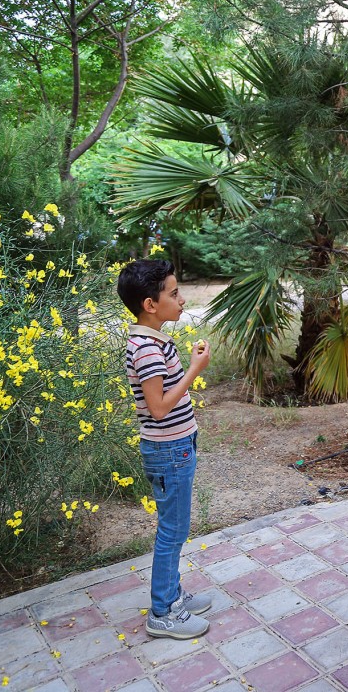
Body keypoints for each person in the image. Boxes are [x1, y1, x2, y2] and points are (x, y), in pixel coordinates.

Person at [117, 259, 214, 639]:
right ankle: (162, 612)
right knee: (172, 531)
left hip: (177, 447)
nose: (182, 299)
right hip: (169, 449)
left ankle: (172, 595)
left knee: (177, 527)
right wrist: (195, 369)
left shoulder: (153, 341)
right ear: (150, 305)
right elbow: (158, 409)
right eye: (173, 294)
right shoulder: (145, 349)